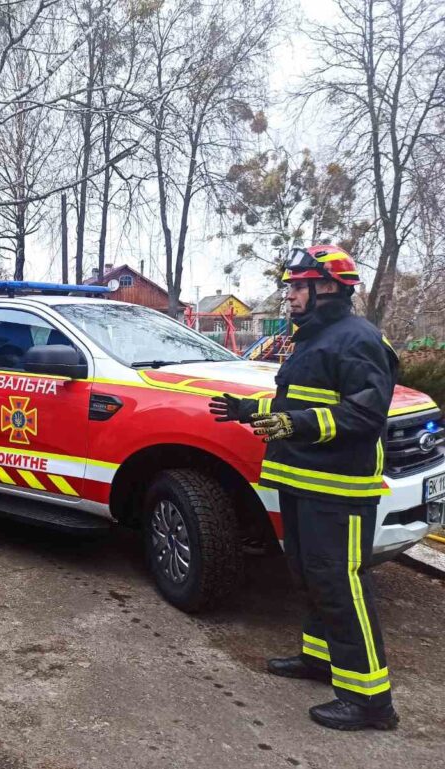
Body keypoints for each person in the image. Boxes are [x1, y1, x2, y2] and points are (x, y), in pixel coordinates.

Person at [210, 245, 399, 731]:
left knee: (340, 584)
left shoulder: (357, 339)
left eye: (298, 286)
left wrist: (296, 424)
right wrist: (247, 411)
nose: (290, 295)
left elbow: (364, 414)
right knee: (310, 577)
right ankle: (320, 659)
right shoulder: (314, 338)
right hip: (303, 481)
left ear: (329, 287)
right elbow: (297, 404)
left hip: (338, 489)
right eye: (290, 286)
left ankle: (370, 701)